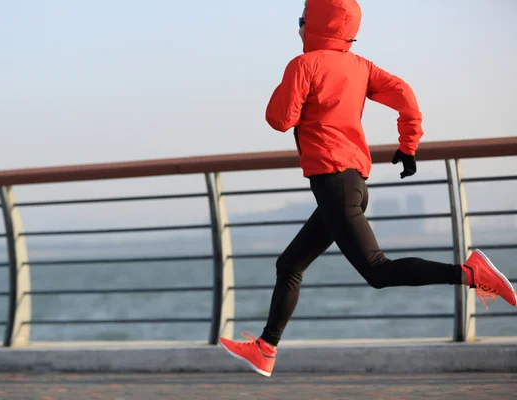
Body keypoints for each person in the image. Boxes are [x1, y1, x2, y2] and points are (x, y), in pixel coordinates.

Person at [218, 0, 517, 378]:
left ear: (314, 24)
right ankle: (266, 348)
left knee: (377, 272)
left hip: (335, 186)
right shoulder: (361, 67)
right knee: (289, 264)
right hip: (351, 184)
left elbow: (279, 119)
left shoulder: (303, 64)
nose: (299, 26)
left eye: (302, 20)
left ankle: (471, 273)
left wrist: (294, 76)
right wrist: (408, 145)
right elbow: (404, 94)